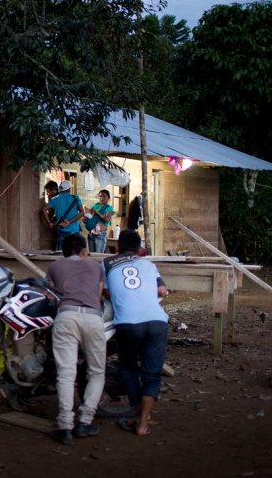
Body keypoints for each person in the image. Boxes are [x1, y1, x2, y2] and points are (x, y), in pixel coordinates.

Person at [101, 229, 169, 437]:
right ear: (139, 248)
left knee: (128, 368)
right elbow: (162, 291)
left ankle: (137, 413)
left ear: (118, 246)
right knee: (152, 374)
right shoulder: (149, 265)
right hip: (157, 322)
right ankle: (143, 423)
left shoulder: (106, 264)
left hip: (128, 323)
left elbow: (104, 291)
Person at [46, 233, 107, 445]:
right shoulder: (96, 267)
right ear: (83, 251)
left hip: (66, 317)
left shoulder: (54, 266)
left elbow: (49, 296)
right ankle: (85, 422)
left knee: (65, 374)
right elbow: (98, 295)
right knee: (97, 372)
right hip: (93, 319)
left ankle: (65, 427)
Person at [47, 180, 84, 251]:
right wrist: (69, 222)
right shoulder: (75, 198)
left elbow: (43, 210)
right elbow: (82, 212)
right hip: (74, 230)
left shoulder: (55, 199)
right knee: (74, 253)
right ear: (69, 189)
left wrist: (49, 222)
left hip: (61, 230)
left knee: (60, 254)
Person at [83, 189, 115, 254]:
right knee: (91, 255)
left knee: (98, 255)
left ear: (108, 198)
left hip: (100, 234)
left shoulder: (109, 208)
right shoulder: (96, 205)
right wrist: (85, 217)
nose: (102, 198)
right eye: (100, 196)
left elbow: (106, 219)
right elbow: (89, 212)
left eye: (104, 196)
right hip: (91, 233)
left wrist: (97, 213)